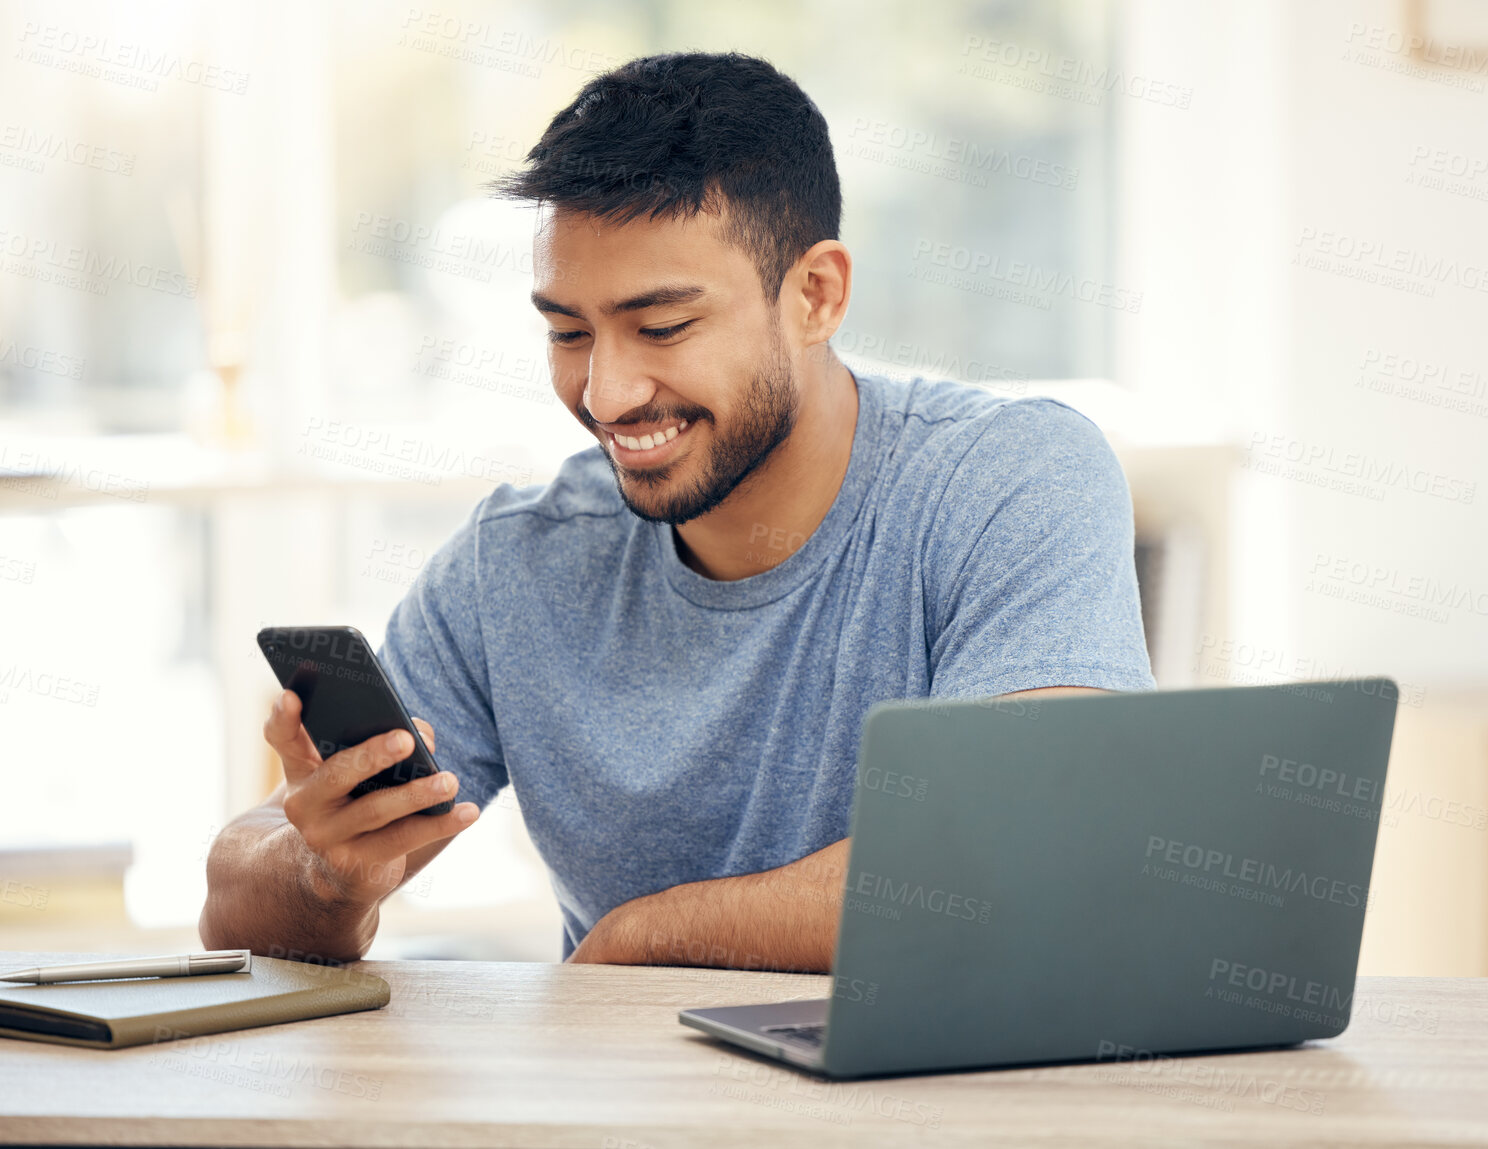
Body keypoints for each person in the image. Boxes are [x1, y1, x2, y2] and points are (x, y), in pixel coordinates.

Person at [200, 51, 1154, 972]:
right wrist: (327, 873)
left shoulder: (1009, 481)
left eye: (662, 327)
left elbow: (1029, 853)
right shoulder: (519, 561)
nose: (607, 394)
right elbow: (234, 899)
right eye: (568, 332)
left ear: (815, 295)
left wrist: (638, 938)